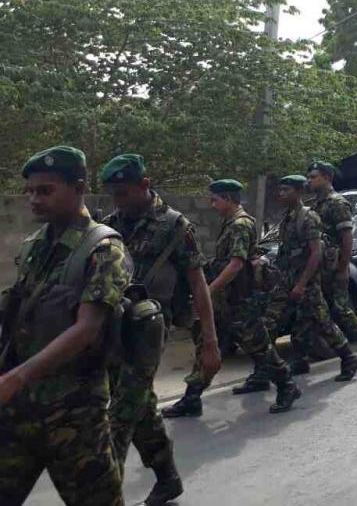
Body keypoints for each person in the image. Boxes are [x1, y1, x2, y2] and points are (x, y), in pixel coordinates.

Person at [0, 147, 130, 506]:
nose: (34, 199)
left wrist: (15, 378)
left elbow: (87, 329)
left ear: (79, 188)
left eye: (45, 190)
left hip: (74, 414)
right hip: (19, 410)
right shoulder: (34, 247)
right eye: (30, 191)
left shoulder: (104, 248)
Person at [101, 154, 220, 506]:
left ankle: (100, 493)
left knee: (121, 413)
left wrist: (209, 342)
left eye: (123, 192)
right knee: (141, 405)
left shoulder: (175, 226)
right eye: (113, 194)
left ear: (145, 184)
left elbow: (198, 284)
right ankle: (168, 478)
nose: (118, 200)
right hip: (114, 327)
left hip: (151, 331)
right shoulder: (110, 225)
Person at [163, 179, 300, 418]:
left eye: (215, 200)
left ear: (227, 198)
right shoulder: (231, 223)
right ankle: (191, 398)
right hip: (225, 301)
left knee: (259, 348)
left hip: (239, 302)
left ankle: (287, 385)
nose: (212, 205)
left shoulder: (240, 224)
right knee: (206, 347)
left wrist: (209, 291)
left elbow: (236, 264)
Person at [263, 175, 357, 380]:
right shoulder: (288, 218)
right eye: (280, 190)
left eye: (286, 190)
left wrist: (301, 284)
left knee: (323, 323)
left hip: (306, 282)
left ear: (298, 192)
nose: (281, 194)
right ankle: (271, 368)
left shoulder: (309, 217)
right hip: (287, 279)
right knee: (278, 321)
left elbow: (316, 253)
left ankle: (348, 357)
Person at [306, 160, 357, 366]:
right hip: (320, 267)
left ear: (326, 178)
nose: (309, 181)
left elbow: (347, 238)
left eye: (313, 177)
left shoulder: (337, 203)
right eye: (308, 177)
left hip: (334, 266)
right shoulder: (316, 204)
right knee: (317, 310)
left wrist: (343, 268)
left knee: (340, 310)